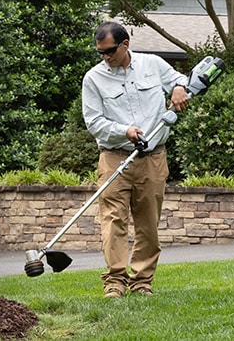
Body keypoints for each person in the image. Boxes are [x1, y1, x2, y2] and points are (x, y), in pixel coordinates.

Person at [81, 21, 189, 298]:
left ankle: (142, 282)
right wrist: (124, 131)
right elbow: (93, 121)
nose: (105, 57)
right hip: (114, 158)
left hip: (153, 158)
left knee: (148, 223)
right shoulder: (93, 78)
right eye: (100, 53)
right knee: (113, 220)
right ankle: (115, 282)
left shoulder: (152, 64)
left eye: (110, 51)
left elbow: (181, 80)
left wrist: (178, 86)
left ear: (125, 45)